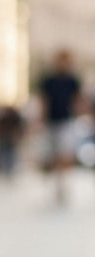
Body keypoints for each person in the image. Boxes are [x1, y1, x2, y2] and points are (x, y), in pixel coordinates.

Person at [39, 49, 84, 199]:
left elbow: (77, 100)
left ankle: (65, 182)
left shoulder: (72, 80)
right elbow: (44, 101)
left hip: (67, 121)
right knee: (54, 154)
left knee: (66, 153)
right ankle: (57, 182)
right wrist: (41, 120)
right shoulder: (49, 81)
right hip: (52, 121)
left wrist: (80, 114)